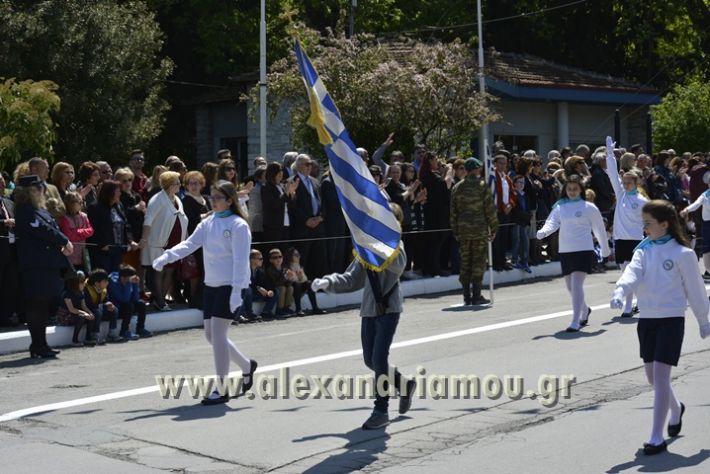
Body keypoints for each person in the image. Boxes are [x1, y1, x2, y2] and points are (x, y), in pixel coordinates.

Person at [611, 200, 710, 455]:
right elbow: (632, 272)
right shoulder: (644, 251)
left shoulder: (683, 253)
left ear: (664, 224)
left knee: (662, 376)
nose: (644, 229)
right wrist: (621, 290)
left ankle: (656, 436)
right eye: (643, 224)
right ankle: (676, 408)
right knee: (652, 377)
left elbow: (696, 290)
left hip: (671, 319)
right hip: (648, 319)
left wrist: (703, 320)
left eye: (648, 224)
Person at [311, 203, 417, 430]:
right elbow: (352, 279)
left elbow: (397, 267)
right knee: (371, 360)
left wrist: (375, 246)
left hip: (389, 308)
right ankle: (404, 384)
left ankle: (381, 410)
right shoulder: (367, 249)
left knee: (379, 359)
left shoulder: (396, 247)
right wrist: (328, 282)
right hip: (370, 308)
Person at [152, 180, 258, 405]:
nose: (214, 200)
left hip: (230, 285)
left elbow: (241, 261)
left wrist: (238, 291)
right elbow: (189, 245)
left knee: (218, 335)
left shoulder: (238, 225)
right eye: (212, 196)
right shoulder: (208, 223)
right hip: (211, 285)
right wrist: (167, 256)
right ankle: (247, 366)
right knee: (211, 336)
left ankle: (221, 388)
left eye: (219, 197)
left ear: (230, 200)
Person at [536, 175, 610, 332]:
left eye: (575, 189)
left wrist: (605, 249)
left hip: (583, 249)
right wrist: (543, 231)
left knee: (576, 284)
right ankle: (585, 309)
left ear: (581, 189)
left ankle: (575, 321)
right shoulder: (560, 206)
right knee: (570, 287)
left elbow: (599, 230)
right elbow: (552, 222)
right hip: (566, 250)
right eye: (569, 189)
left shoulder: (589, 207)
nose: (572, 192)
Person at [14, 175, 72, 358]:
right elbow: (42, 229)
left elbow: (51, 228)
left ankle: (41, 344)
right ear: (29, 191)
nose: (42, 192)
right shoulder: (24, 210)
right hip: (35, 265)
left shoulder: (39, 210)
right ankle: (38, 345)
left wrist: (62, 242)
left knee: (43, 305)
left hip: (47, 264)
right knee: (36, 304)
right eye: (39, 188)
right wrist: (64, 240)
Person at [604, 137, 647, 317]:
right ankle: (642, 301)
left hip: (635, 240)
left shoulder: (643, 201)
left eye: (629, 182)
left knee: (628, 273)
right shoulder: (621, 194)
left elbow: (651, 220)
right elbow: (613, 174)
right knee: (625, 272)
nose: (625, 183)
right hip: (620, 239)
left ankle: (628, 307)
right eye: (625, 181)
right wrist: (609, 154)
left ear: (636, 183)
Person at [450, 158, 498, 305]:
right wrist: (494, 227)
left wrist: (456, 231)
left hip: (463, 230)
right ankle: (476, 295)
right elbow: (489, 210)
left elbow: (453, 212)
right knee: (478, 262)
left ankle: (466, 296)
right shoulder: (482, 186)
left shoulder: (457, 187)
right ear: (476, 169)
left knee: (465, 262)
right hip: (479, 230)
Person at [140, 171, 188, 311]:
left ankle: (159, 298)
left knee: (170, 271)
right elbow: (148, 220)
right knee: (158, 271)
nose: (180, 184)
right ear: (168, 185)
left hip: (175, 242)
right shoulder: (157, 199)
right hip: (158, 242)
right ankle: (160, 301)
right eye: (176, 182)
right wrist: (144, 238)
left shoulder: (177, 199)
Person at [87, 180, 138, 273]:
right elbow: (93, 228)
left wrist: (130, 240)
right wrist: (102, 244)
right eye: (118, 191)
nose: (120, 194)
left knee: (115, 276)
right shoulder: (95, 208)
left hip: (118, 250)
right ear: (110, 193)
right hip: (102, 252)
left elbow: (126, 225)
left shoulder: (118, 206)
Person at [108, 264, 152, 340]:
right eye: (130, 279)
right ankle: (124, 331)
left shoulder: (129, 282)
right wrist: (128, 284)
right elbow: (124, 299)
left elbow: (136, 298)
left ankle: (140, 328)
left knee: (141, 303)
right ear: (122, 277)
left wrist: (135, 284)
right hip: (116, 309)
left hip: (127, 306)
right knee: (128, 305)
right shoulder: (113, 283)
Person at [56, 271, 96, 347]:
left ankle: (88, 338)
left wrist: (89, 313)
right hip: (65, 316)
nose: (84, 285)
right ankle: (75, 340)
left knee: (91, 317)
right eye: (82, 283)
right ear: (74, 284)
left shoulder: (81, 293)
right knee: (81, 317)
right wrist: (84, 313)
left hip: (75, 314)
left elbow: (84, 306)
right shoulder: (66, 294)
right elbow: (71, 309)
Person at [58, 192, 94, 273]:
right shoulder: (64, 218)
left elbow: (91, 231)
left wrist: (77, 231)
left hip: (82, 256)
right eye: (79, 202)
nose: (82, 204)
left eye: (82, 202)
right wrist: (83, 234)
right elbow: (69, 236)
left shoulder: (84, 216)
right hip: (69, 256)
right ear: (70, 204)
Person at [84, 268, 122, 343]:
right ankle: (94, 336)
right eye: (105, 281)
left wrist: (108, 304)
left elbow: (105, 299)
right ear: (96, 283)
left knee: (114, 309)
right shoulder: (86, 289)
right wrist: (103, 305)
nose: (107, 283)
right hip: (88, 311)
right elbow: (89, 304)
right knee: (97, 311)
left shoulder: (103, 288)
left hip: (99, 308)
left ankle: (112, 334)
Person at [284, 246, 325, 316]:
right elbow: (289, 280)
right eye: (296, 255)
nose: (298, 257)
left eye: (299, 255)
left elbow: (304, 280)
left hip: (299, 288)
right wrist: (297, 277)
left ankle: (315, 308)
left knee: (309, 283)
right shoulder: (286, 267)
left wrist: (300, 277)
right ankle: (298, 309)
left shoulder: (299, 266)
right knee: (297, 284)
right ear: (290, 256)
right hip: (291, 289)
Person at [240, 249, 278, 321]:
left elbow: (267, 283)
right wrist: (258, 288)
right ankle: (246, 314)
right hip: (247, 294)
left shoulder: (260, 271)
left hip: (255, 294)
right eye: (260, 259)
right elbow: (244, 283)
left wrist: (270, 290)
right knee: (248, 289)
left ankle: (266, 312)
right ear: (252, 260)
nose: (262, 260)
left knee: (276, 291)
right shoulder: (245, 270)